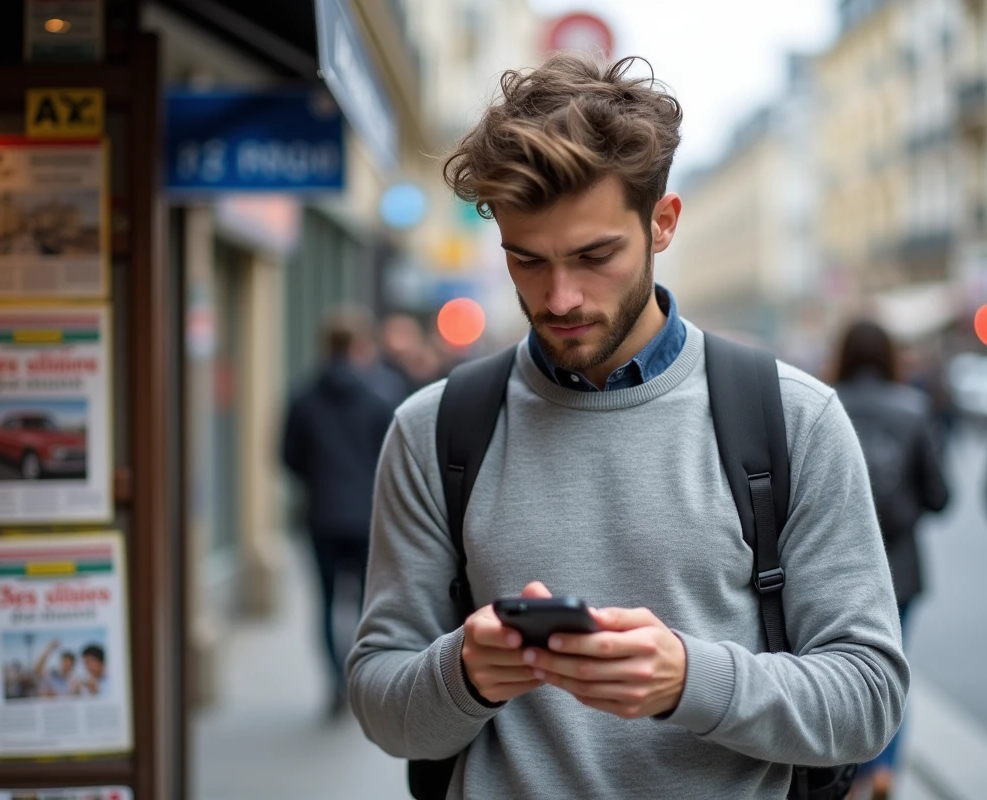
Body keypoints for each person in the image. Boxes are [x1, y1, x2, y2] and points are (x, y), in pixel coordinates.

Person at [348, 53, 907, 799]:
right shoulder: (435, 431)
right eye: (527, 260)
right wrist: (465, 673)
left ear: (663, 223)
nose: (560, 296)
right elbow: (384, 710)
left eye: (595, 255)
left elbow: (869, 702)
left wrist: (688, 679)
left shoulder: (794, 419)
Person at [833, 320, 950, 800]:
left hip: (833, 568)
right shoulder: (914, 410)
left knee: (840, 668)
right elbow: (940, 497)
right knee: (892, 668)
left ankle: (854, 773)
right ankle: (885, 768)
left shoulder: (819, 400)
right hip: (899, 567)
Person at [282, 307, 399, 716]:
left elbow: (287, 457)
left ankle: (335, 682)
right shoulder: (379, 397)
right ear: (359, 346)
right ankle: (364, 682)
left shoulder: (303, 397)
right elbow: (394, 457)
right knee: (371, 605)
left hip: (323, 516)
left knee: (327, 603)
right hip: (369, 518)